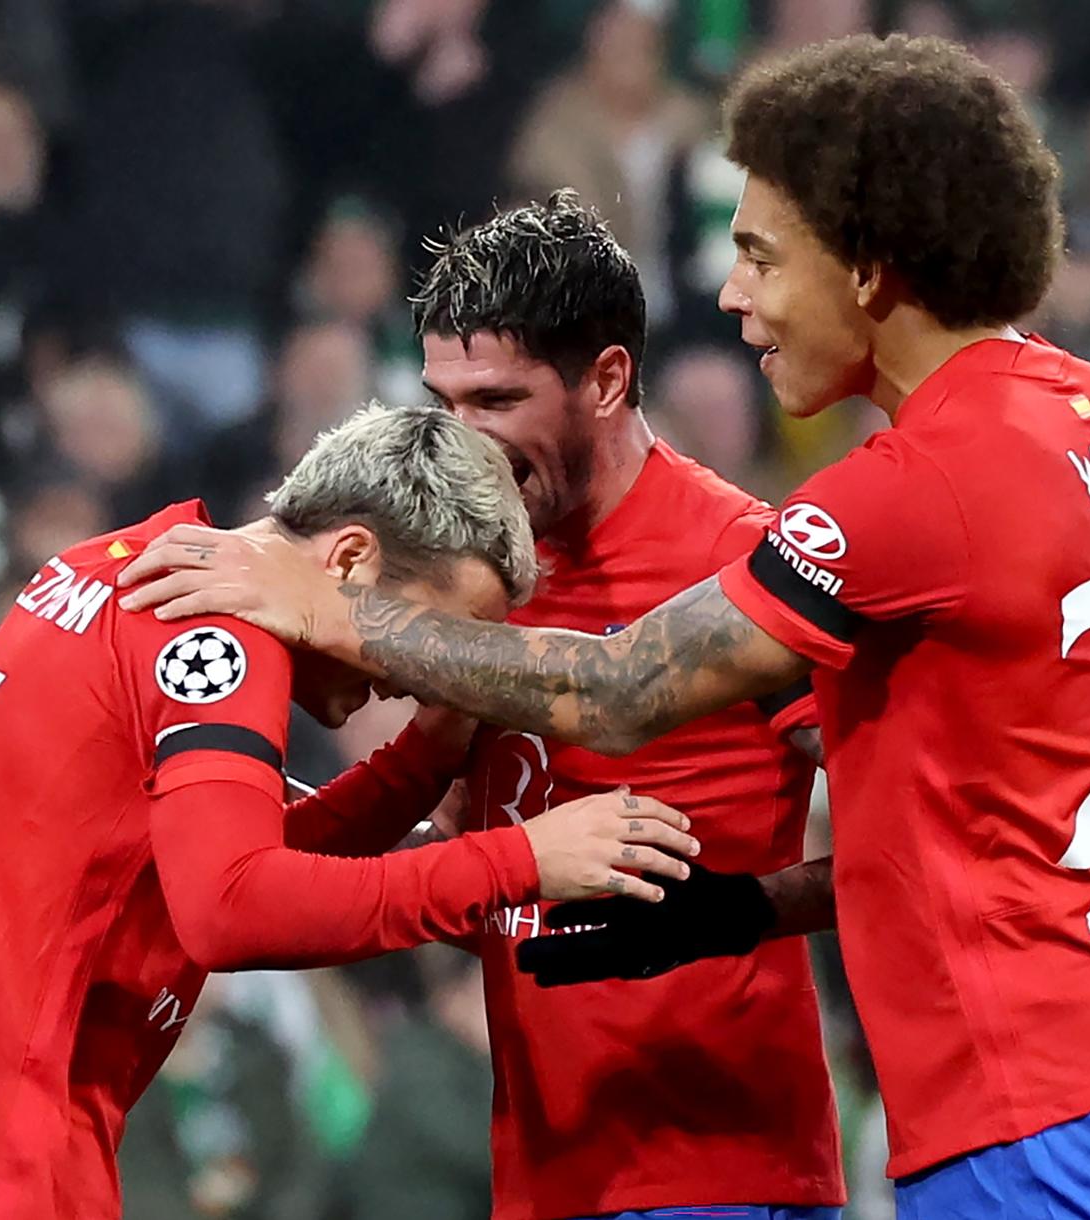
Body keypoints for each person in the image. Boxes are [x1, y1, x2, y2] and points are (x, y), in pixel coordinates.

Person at [120, 34, 1090, 1219]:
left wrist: (328, 607)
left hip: (1019, 1089)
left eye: (763, 255)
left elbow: (614, 688)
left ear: (866, 268)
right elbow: (947, 812)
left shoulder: (889, 498)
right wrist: (733, 906)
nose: (734, 296)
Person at [0, 404, 699, 1220]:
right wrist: (520, 863)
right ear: (347, 557)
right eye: (423, 632)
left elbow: (198, 861)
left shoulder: (114, 567)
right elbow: (232, 907)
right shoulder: (219, 623)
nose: (417, 669)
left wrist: (420, 761)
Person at [329, 194, 844, 1220]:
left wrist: (732, 913)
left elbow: (909, 830)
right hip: (546, 1168)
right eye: (446, 402)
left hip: (717, 1170)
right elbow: (485, 863)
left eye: (499, 400)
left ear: (607, 378)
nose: (464, 444)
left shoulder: (747, 560)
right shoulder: (482, 571)